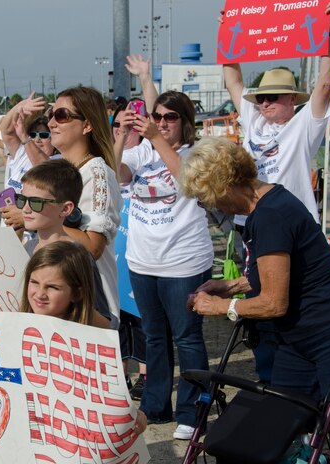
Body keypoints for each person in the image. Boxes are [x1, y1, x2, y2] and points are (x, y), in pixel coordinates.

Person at [181, 137, 330, 441]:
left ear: (224, 186)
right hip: (299, 337)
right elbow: (283, 272)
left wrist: (220, 307)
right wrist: (233, 285)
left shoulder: (270, 215)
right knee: (281, 418)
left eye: (207, 198)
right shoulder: (269, 204)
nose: (211, 207)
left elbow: (274, 303)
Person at [116, 55, 213, 440]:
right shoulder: (143, 152)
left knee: (188, 337)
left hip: (184, 262)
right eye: (157, 115)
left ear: (185, 122)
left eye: (170, 117)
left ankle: (193, 410)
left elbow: (187, 181)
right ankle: (155, 405)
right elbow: (116, 171)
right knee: (155, 338)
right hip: (144, 261)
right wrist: (122, 132)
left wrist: (155, 136)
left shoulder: (197, 153)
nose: (161, 121)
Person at [220, 0, 330, 223]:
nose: (264, 103)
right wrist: (227, 36)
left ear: (293, 98)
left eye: (273, 97)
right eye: (261, 98)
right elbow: (233, 82)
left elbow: (325, 84)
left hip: (291, 220)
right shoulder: (255, 118)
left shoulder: (304, 124)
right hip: (251, 219)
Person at [19, 240, 147, 439]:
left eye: (52, 287)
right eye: (34, 282)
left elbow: (110, 393)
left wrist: (133, 414)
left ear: (77, 293)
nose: (40, 294)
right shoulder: (16, 327)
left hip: (76, 439)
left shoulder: (96, 337)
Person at [38, 85, 122, 325]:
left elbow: (93, 247)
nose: (52, 123)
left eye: (62, 116)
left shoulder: (97, 173)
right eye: (50, 115)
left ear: (87, 125)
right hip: (57, 297)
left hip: (89, 305)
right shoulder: (58, 166)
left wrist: (38, 216)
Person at [17, 158, 114, 327]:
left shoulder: (78, 256)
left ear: (65, 209)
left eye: (36, 202)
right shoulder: (28, 248)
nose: (25, 208)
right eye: (21, 199)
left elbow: (104, 322)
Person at [112, 97, 148, 400]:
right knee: (118, 318)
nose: (122, 130)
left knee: (142, 319)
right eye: (117, 125)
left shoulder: (148, 154)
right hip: (115, 250)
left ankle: (147, 375)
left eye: (131, 124)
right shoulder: (110, 155)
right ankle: (121, 372)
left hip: (142, 249)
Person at [0, 93, 57, 234]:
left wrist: (25, 138)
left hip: (37, 236)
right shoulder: (21, 153)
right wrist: (21, 106)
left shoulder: (58, 162)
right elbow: (5, 130)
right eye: (33, 135)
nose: (37, 140)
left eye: (43, 135)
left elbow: (44, 169)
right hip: (10, 231)